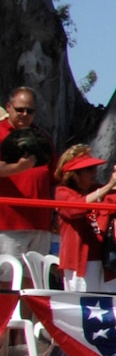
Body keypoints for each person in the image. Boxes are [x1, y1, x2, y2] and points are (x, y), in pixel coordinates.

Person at [53, 148, 116, 291]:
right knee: (83, 306)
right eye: (88, 169)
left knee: (114, 303)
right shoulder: (62, 192)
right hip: (80, 261)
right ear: (74, 175)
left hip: (107, 262)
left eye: (94, 168)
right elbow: (74, 209)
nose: (94, 172)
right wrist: (108, 186)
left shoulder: (100, 189)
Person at [0, 86, 55, 258]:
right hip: (8, 223)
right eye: (19, 109)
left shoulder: (42, 137)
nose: (24, 114)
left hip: (40, 223)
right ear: (8, 107)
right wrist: (19, 168)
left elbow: (56, 175)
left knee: (34, 280)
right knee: (8, 279)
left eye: (29, 111)